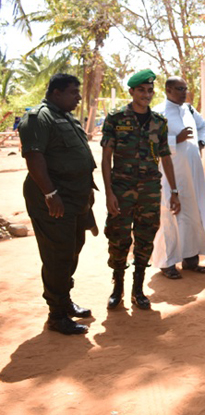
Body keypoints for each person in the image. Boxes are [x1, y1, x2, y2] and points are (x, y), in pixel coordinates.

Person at [18, 73, 96, 335]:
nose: (77, 97)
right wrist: (51, 195)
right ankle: (56, 315)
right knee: (57, 255)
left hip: (75, 199)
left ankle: (64, 301)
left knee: (72, 250)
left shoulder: (66, 117)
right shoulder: (39, 117)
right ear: (56, 93)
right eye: (73, 92)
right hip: (53, 200)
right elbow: (33, 157)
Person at [101, 69, 181, 311]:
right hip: (121, 189)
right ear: (131, 92)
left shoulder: (159, 122)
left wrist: (174, 191)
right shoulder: (115, 119)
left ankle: (138, 289)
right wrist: (108, 193)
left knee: (145, 238)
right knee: (119, 238)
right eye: (141, 90)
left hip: (149, 190)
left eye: (149, 90)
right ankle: (118, 287)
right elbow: (106, 159)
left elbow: (165, 157)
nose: (146, 95)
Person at [152, 76, 205, 279]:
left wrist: (202, 143)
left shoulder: (188, 110)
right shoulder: (158, 112)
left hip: (193, 172)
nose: (184, 93)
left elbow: (204, 127)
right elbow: (150, 140)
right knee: (170, 214)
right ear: (168, 90)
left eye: (185, 89)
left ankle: (191, 258)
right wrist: (174, 140)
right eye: (179, 89)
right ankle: (167, 262)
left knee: (193, 212)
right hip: (170, 173)